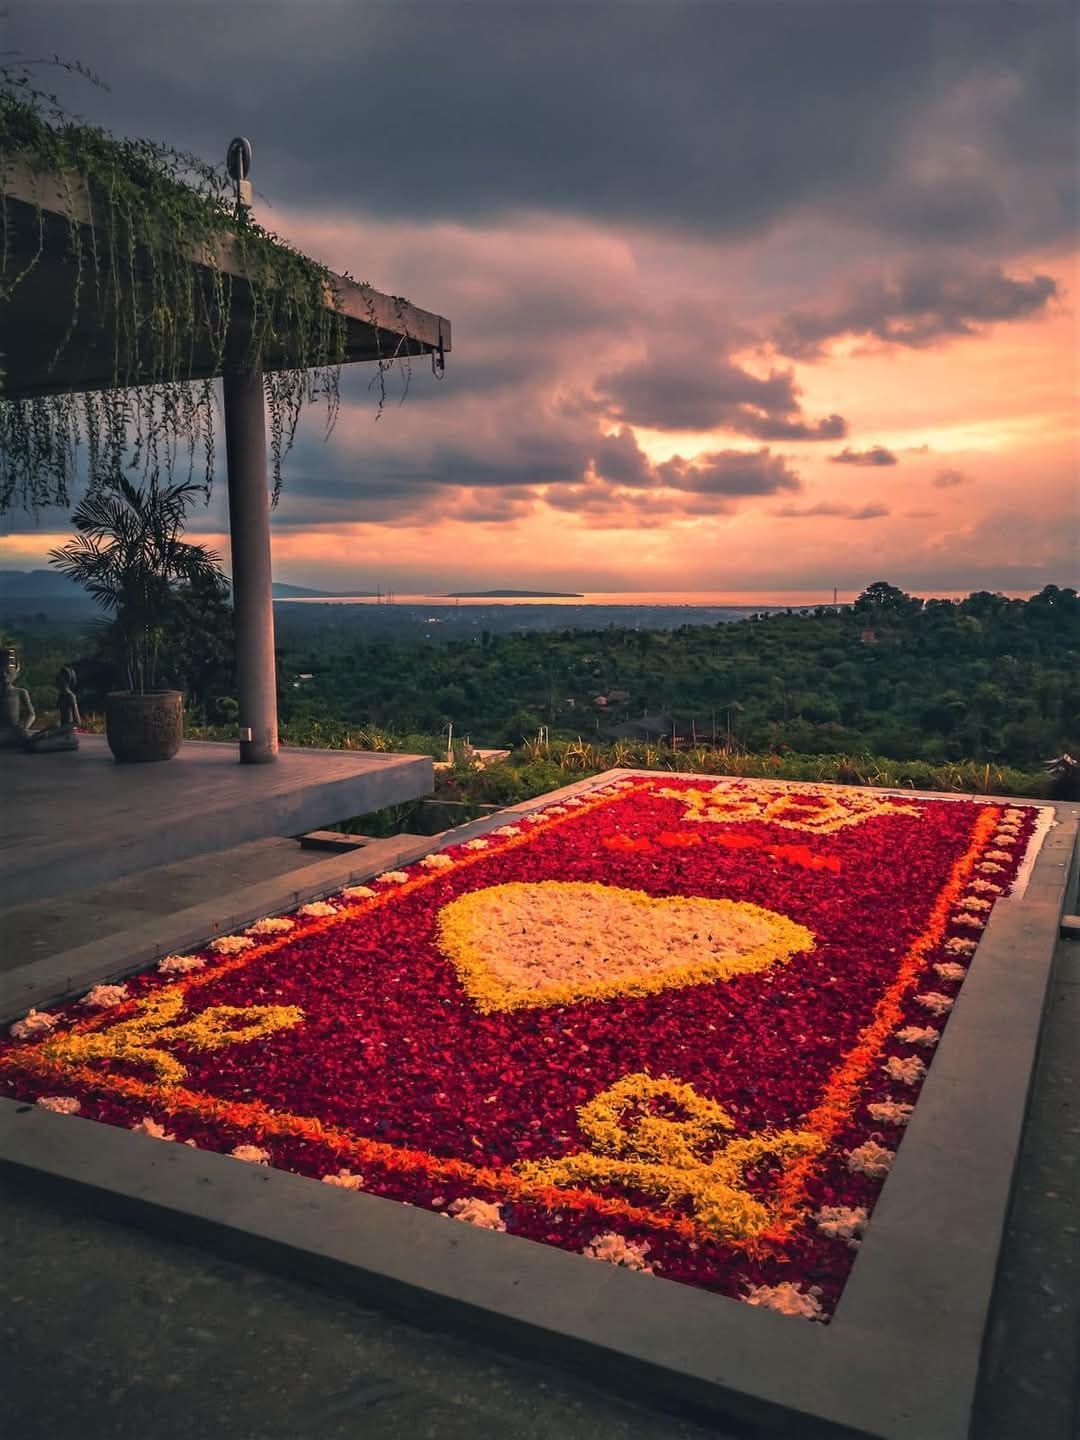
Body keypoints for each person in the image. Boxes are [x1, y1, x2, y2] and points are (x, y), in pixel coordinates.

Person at [24, 666, 81, 752]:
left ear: (66, 679)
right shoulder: (61, 695)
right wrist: (48, 730)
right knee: (31, 739)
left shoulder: (70, 696)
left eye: (60, 676)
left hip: (67, 735)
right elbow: (58, 718)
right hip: (59, 731)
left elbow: (77, 722)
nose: (57, 678)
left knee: (36, 746)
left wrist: (52, 733)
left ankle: (69, 744)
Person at [0, 649, 36, 748]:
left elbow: (32, 714)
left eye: (7, 672)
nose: (4, 675)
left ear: (16, 672)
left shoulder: (20, 692)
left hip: (15, 732)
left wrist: (25, 728)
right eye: (1, 672)